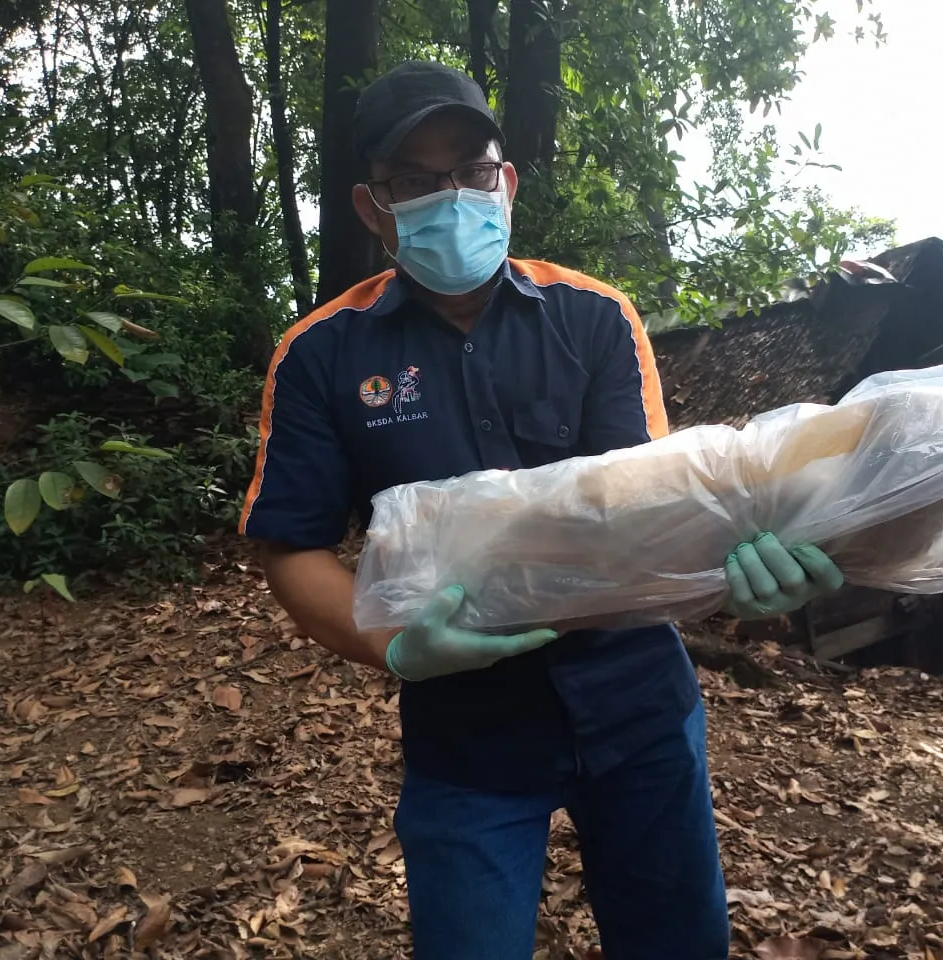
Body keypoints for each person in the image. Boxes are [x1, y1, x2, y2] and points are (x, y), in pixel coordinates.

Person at [238, 60, 845, 960]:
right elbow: (292, 548)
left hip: (637, 707)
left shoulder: (596, 318)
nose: (452, 197)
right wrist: (393, 646)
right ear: (372, 208)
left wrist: (738, 574)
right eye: (416, 180)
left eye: (472, 171)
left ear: (507, 182)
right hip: (466, 735)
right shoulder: (321, 354)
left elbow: (650, 509)